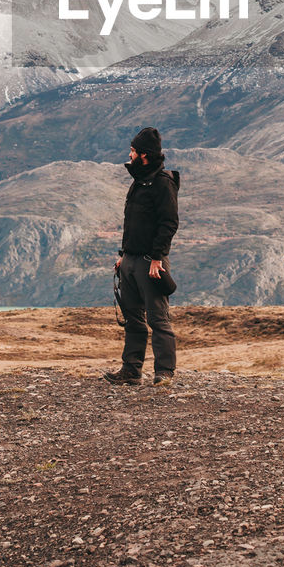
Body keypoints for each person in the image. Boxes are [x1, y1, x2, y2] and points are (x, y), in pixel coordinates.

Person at [104, 126, 180, 387]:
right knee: (133, 319)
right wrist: (123, 256)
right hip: (130, 261)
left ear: (144, 155)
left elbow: (168, 223)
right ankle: (131, 370)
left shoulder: (163, 183)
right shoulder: (138, 182)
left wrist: (158, 258)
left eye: (133, 151)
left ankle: (164, 372)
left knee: (158, 319)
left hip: (151, 262)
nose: (129, 154)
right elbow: (133, 224)